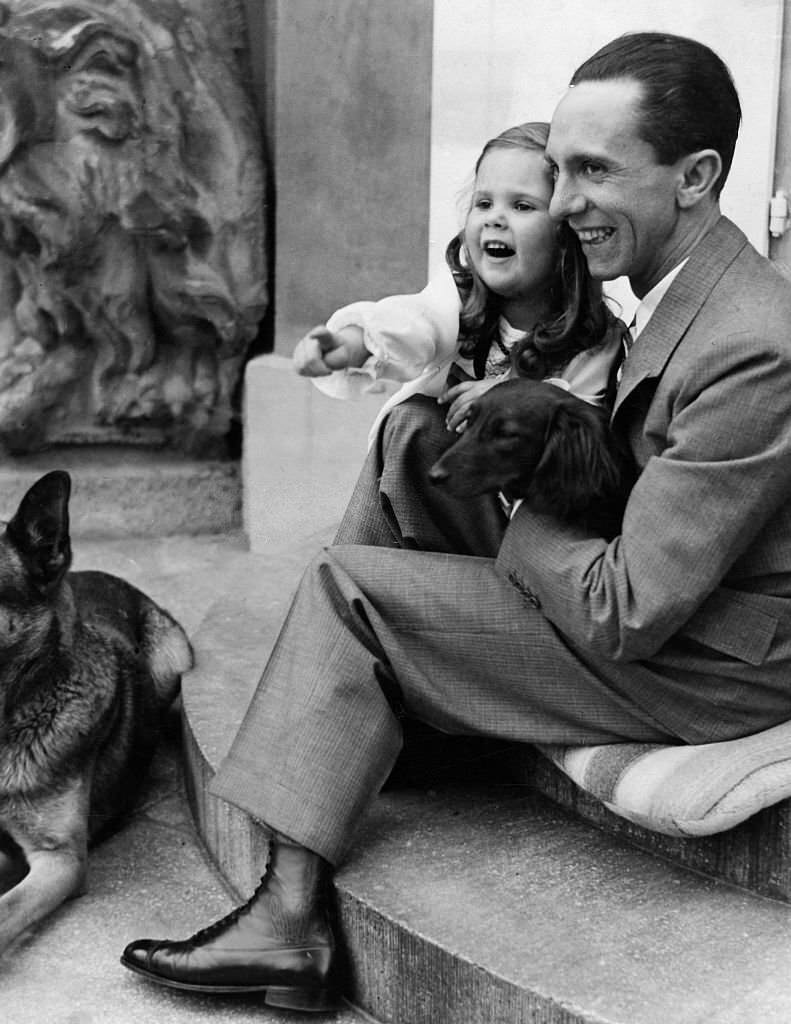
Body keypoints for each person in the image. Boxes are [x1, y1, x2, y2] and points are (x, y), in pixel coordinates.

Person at [120, 32, 791, 1014]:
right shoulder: (661, 287)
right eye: (559, 170)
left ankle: (289, 923)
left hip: (706, 662)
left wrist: (517, 508)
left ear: (697, 177)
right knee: (418, 437)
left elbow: (630, 608)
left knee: (348, 594)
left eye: (595, 172)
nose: (563, 203)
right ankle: (366, 714)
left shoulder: (751, 344)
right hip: (645, 586)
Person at [292, 120, 626, 555]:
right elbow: (416, 323)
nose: (495, 220)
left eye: (522, 206)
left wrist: (511, 394)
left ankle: (364, 582)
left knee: (413, 426)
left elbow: (583, 418)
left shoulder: (593, 339)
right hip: (450, 486)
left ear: (566, 235)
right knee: (411, 421)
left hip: (530, 522)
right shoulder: (461, 299)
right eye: (483, 203)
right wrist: (353, 343)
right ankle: (357, 570)